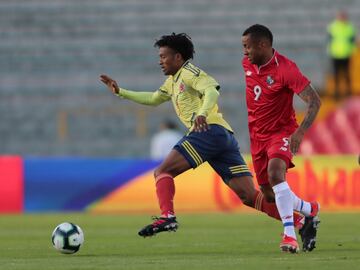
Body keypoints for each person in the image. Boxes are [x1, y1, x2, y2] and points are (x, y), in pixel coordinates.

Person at [100, 33, 305, 250]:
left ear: (178, 57)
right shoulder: (172, 81)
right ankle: (301, 220)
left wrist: (202, 114)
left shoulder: (189, 72)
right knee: (248, 195)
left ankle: (167, 216)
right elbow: (153, 99)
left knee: (162, 172)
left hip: (208, 130)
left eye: (164, 56)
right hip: (223, 137)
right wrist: (120, 92)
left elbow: (212, 89)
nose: (160, 61)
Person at [241, 24, 322, 253]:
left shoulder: (286, 69)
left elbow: (315, 101)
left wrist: (300, 132)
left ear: (263, 45)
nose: (244, 52)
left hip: (282, 132)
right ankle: (309, 210)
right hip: (257, 137)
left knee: (276, 174)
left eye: (247, 47)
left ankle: (289, 236)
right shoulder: (247, 64)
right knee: (268, 194)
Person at [327, 10, 356, 100]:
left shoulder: (349, 27)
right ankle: (337, 93)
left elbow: (352, 40)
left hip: (346, 53)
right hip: (335, 54)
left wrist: (352, 50)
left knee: (347, 74)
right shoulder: (332, 27)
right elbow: (329, 40)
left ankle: (348, 92)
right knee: (336, 74)